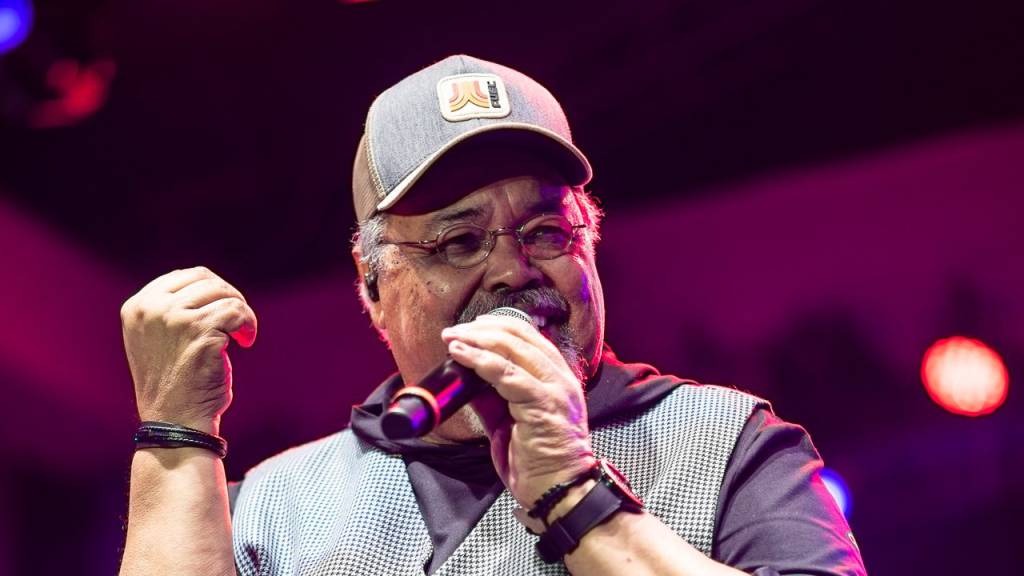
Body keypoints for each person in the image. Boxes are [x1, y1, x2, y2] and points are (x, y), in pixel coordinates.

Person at [118, 55, 867, 576]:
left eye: (546, 233)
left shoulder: (727, 443)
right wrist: (175, 437)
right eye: (460, 241)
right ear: (374, 285)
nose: (513, 270)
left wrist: (578, 498)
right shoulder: (275, 507)